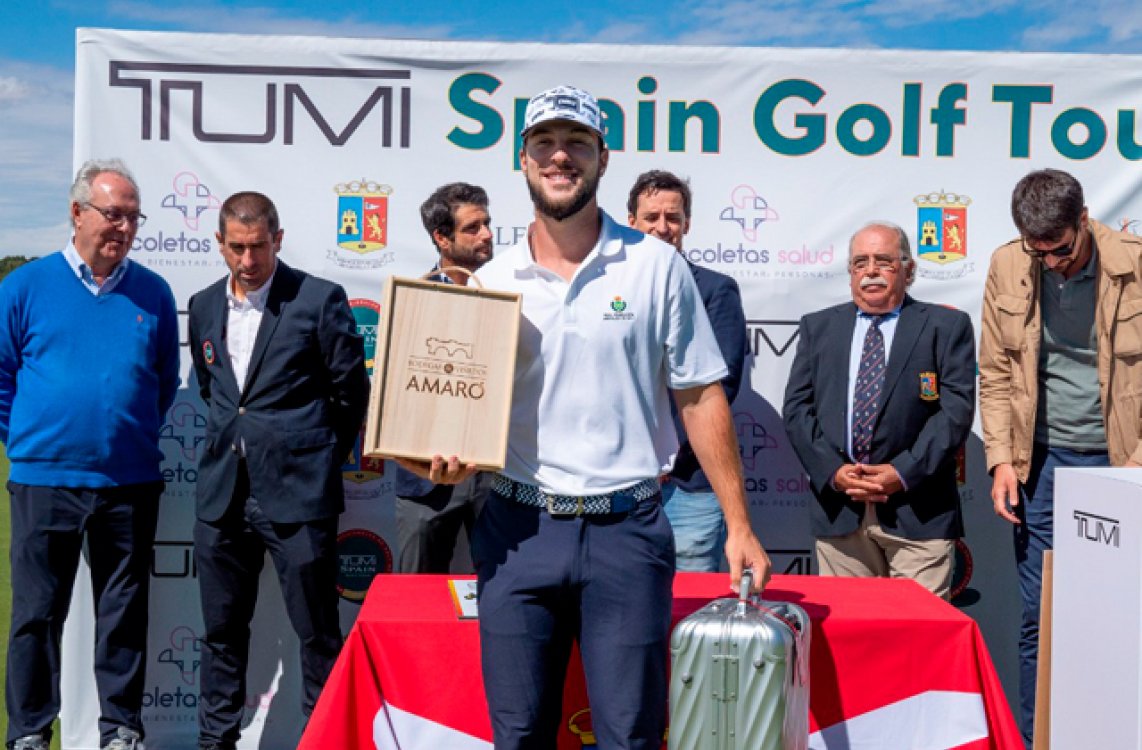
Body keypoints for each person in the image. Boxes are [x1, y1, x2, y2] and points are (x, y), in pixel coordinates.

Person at [398, 84, 771, 750]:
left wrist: (738, 523)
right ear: (523, 159)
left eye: (576, 143)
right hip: (517, 532)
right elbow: (449, 418)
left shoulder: (656, 267)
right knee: (518, 736)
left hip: (627, 533)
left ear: (602, 156)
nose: (560, 156)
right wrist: (437, 452)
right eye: (545, 143)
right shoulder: (490, 282)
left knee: (629, 736)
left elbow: (700, 397)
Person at [0, 159, 180, 750]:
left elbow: (159, 383)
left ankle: (121, 729)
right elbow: (1, 379)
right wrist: (34, 442)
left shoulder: (152, 292)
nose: (124, 227)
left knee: (123, 615)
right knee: (35, 616)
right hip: (44, 480)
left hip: (127, 481)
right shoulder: (23, 287)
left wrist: (118, 435)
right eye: (113, 214)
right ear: (77, 212)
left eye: (133, 217)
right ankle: (29, 731)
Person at [187, 192, 369, 750]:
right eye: (237, 248)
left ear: (278, 239)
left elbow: (351, 394)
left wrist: (312, 459)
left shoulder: (317, 300)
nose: (248, 260)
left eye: (259, 246)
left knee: (317, 635)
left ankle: (326, 739)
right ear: (219, 243)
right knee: (220, 634)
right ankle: (215, 742)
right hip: (222, 497)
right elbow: (212, 388)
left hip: (298, 496)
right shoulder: (200, 306)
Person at [979, 168, 1142, 747]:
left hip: (1124, 465)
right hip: (1040, 465)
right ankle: (1038, 738)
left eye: (1062, 249)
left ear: (1084, 221)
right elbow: (996, 374)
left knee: (1124, 618)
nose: (1051, 262)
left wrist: (1136, 473)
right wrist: (1000, 460)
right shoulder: (1006, 265)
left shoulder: (1134, 264)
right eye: (1038, 251)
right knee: (1038, 619)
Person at [783, 221, 975, 599]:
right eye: (860, 262)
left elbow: (956, 411)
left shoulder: (945, 326)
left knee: (918, 639)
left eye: (884, 261)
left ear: (908, 268)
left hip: (919, 510)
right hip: (841, 510)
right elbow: (797, 410)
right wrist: (834, 473)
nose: (870, 271)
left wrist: (902, 472)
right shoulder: (818, 327)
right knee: (852, 638)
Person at [627, 170, 747, 572]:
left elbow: (719, 386)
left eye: (673, 218)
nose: (663, 228)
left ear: (687, 224)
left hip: (688, 484)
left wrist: (663, 456)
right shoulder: (610, 291)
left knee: (689, 607)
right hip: (619, 483)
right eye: (652, 217)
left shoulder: (715, 290)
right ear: (632, 222)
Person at [392, 183, 496, 573]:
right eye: (473, 227)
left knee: (510, 598)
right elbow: (394, 397)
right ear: (442, 238)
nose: (486, 234)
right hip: (426, 480)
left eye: (487, 224)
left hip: (497, 479)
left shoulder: (514, 296)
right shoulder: (412, 302)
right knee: (417, 601)